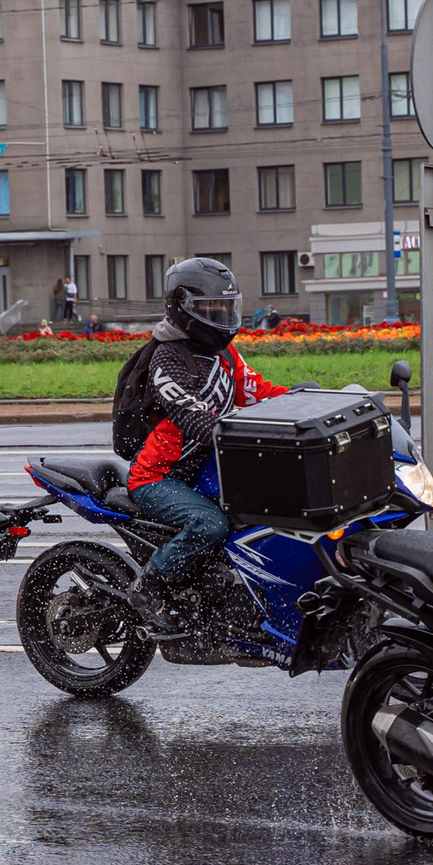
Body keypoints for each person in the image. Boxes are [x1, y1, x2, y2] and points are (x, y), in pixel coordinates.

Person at [124, 257, 285, 625]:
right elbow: (193, 416)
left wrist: (309, 400)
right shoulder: (168, 359)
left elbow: (257, 391)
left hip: (206, 471)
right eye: (211, 308)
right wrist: (246, 435)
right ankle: (150, 583)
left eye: (226, 307)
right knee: (211, 525)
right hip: (160, 477)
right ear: (180, 305)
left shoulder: (226, 354)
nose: (222, 316)